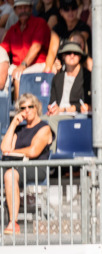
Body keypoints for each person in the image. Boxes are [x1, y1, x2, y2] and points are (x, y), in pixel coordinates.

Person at [1, 93, 54, 235]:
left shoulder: (44, 128)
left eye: (30, 107)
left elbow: (33, 151)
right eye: (23, 108)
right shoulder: (19, 129)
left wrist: (14, 151)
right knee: (10, 173)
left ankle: (13, 223)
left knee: (10, 174)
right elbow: (5, 148)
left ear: (37, 108)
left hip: (35, 167)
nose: (27, 110)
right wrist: (13, 124)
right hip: (15, 166)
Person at [1, 0, 52, 97]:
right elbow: (2, 49)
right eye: (20, 8)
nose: (23, 10)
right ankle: (4, 108)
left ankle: (19, 108)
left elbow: (36, 47)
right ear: (15, 11)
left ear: (30, 8)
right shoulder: (13, 29)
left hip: (38, 64)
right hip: (17, 65)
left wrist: (23, 65)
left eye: (25, 7)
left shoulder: (39, 23)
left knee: (19, 75)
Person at [48, 40, 90, 115]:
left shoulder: (87, 76)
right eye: (68, 53)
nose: (72, 55)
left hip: (77, 115)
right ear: (63, 56)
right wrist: (52, 108)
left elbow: (86, 104)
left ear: (80, 56)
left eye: (76, 53)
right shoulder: (57, 78)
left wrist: (64, 109)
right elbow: (52, 102)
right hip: (57, 114)